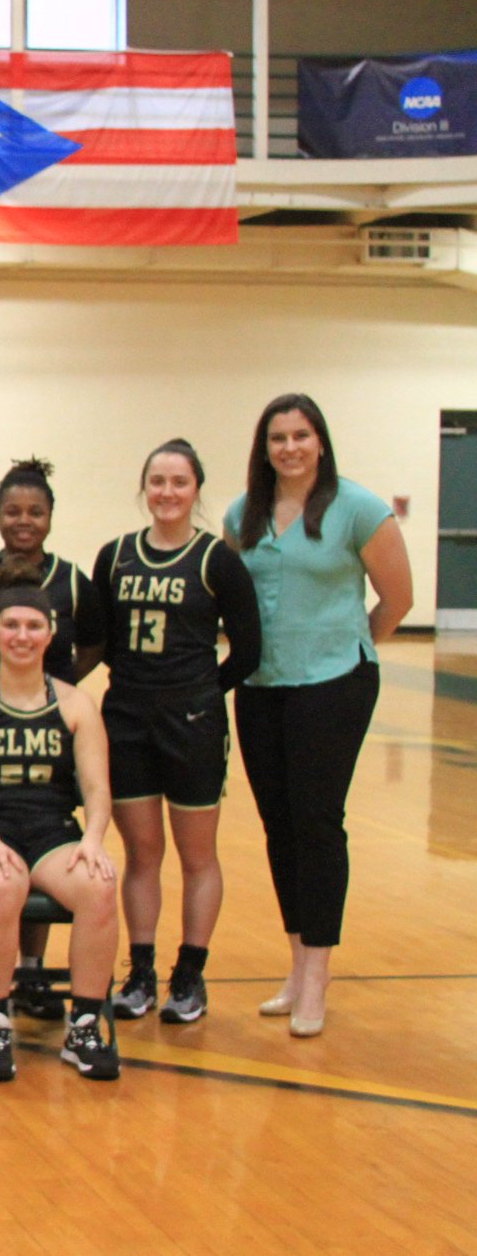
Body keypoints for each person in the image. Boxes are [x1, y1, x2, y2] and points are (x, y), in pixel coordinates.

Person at [226, 395, 411, 1037]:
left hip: (334, 684)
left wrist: (346, 649)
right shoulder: (242, 514)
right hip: (261, 686)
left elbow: (397, 598)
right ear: (265, 448)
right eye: (278, 438)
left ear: (321, 442)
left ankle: (318, 977)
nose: (290, 448)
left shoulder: (359, 509)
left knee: (317, 822)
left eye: (301, 436)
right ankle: (297, 963)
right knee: (279, 826)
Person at [94, 439, 262, 1026]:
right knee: (141, 852)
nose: (167, 492)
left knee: (196, 854)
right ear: (144, 488)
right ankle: (140, 972)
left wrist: (201, 693)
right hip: (127, 719)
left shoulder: (217, 560)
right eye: (157, 481)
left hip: (191, 723)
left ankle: (190, 973)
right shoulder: (115, 557)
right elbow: (102, 639)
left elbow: (249, 649)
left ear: (196, 490)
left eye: (179, 482)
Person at [0, 561, 122, 1082]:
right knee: (2, 883)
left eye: (33, 626)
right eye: (11, 625)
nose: (22, 636)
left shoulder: (76, 703)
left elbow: (96, 787)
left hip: (50, 832)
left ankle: (84, 1026)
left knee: (100, 885)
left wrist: (93, 839)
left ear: (51, 632)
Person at [0, 457, 106, 1021]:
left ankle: (43, 984)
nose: (24, 521)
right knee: (3, 874)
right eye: (13, 511)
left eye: (35, 511)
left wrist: (57, 693)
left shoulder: (73, 585)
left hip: (45, 719)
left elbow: (95, 645)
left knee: (64, 847)